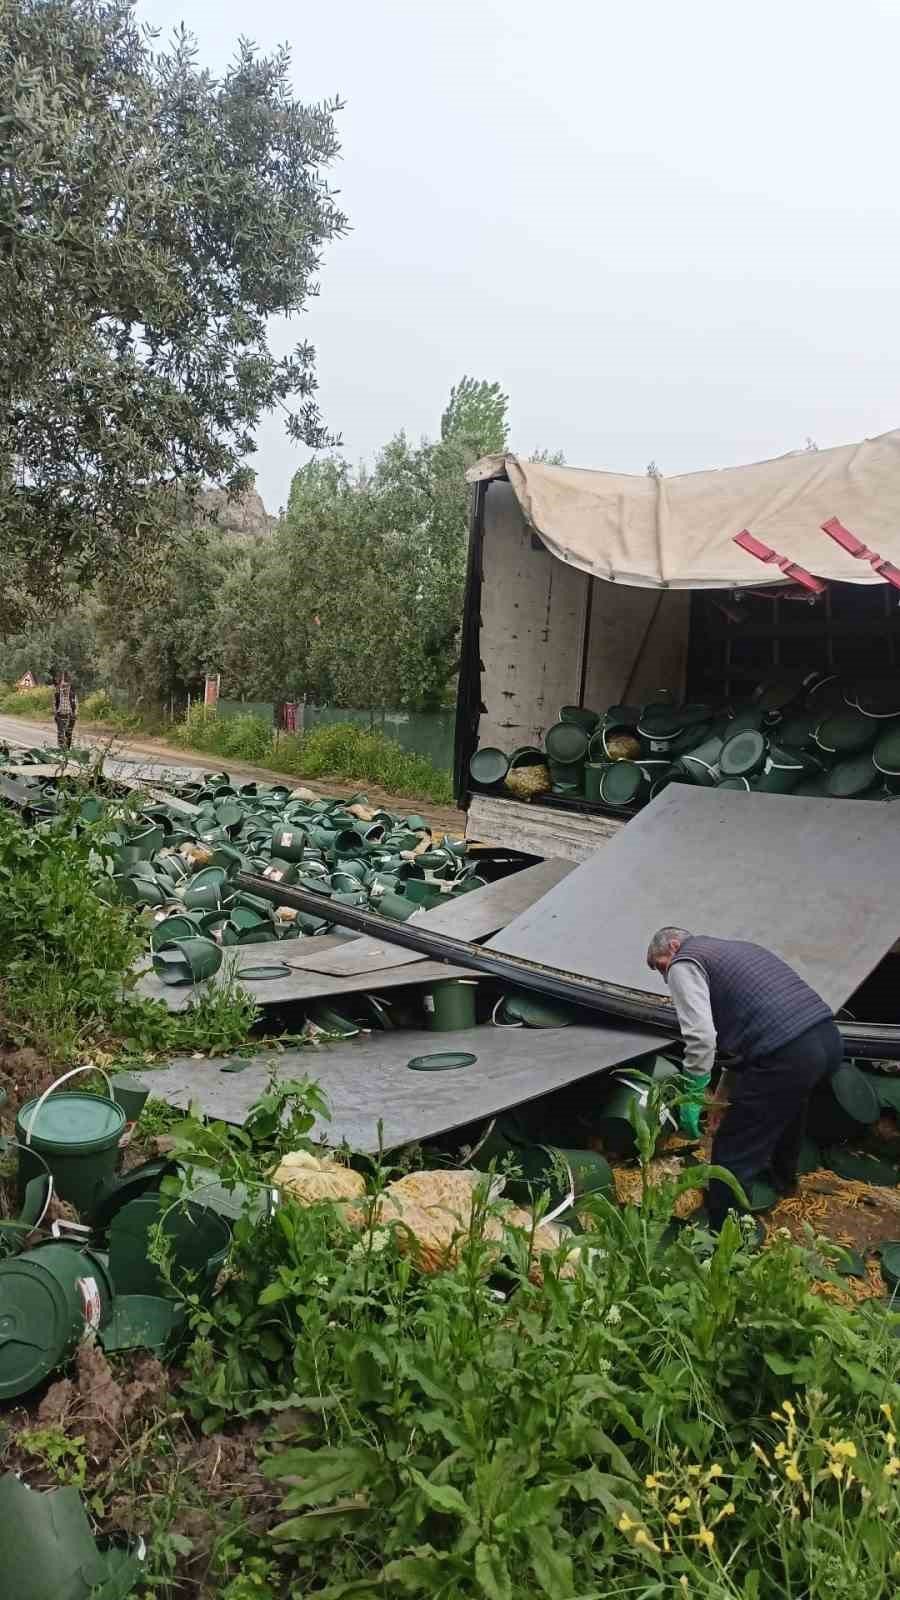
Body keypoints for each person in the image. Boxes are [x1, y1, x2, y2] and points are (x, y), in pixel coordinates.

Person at [646, 927, 841, 1231]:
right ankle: (783, 1182)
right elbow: (745, 1046)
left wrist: (693, 1094)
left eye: (660, 966)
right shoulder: (736, 951)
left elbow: (700, 1038)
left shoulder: (684, 964)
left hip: (786, 1054)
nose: (664, 977)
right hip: (826, 1040)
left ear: (673, 946)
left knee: (733, 1147)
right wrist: (721, 1101)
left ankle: (728, 1234)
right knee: (787, 1108)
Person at [53, 670, 78, 750]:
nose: (65, 688)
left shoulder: (72, 694)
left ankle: (67, 749)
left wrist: (75, 714)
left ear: (69, 686)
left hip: (70, 716)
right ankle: (61, 747)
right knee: (61, 732)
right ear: (61, 685)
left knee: (68, 733)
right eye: (63, 686)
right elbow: (54, 704)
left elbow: (76, 704)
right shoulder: (57, 694)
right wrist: (55, 713)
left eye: (67, 686)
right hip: (60, 715)